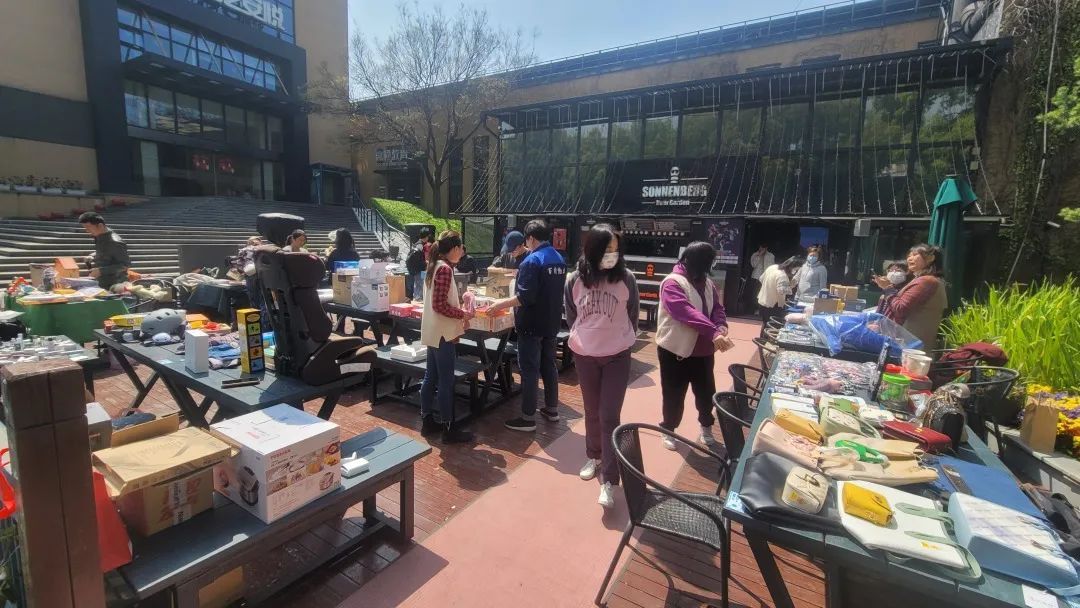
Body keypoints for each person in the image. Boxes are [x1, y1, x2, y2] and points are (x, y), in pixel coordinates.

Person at [564, 224, 639, 509]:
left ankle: (609, 479)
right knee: (591, 411)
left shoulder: (627, 279)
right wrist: (588, 337)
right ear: (592, 249)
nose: (612, 254)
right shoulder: (575, 279)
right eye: (607, 249)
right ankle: (593, 456)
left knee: (609, 415)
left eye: (616, 249)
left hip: (617, 355)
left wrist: (618, 337)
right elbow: (572, 316)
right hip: (585, 355)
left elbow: (632, 314)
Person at [489, 220, 566, 432]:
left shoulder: (532, 261)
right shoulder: (559, 258)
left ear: (530, 238)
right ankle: (552, 409)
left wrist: (498, 305)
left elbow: (524, 297)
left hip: (531, 323)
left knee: (529, 370)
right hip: (551, 322)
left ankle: (528, 417)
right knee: (549, 366)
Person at [656, 242, 733, 450]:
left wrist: (721, 324)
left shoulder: (707, 283)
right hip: (675, 351)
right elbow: (685, 312)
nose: (710, 267)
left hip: (703, 351)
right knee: (673, 394)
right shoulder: (672, 283)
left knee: (706, 394)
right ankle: (668, 430)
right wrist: (713, 332)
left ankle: (706, 427)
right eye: (708, 263)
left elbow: (717, 307)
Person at [418, 230, 476, 444]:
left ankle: (427, 420)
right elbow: (439, 305)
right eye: (460, 248)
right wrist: (463, 314)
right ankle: (448, 428)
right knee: (445, 381)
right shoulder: (444, 269)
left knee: (430, 377)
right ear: (454, 249)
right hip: (443, 333)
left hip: (433, 331)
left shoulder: (434, 265)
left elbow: (436, 302)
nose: (461, 252)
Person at [880, 244, 948, 351]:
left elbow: (900, 308)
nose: (909, 258)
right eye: (909, 255)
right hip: (910, 343)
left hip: (909, 345)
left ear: (931, 258)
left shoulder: (927, 281)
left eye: (915, 254)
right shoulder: (924, 280)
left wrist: (888, 288)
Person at [79, 212, 130, 290]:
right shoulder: (100, 236)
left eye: (88, 227)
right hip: (102, 282)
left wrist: (100, 271)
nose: (87, 230)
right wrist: (93, 256)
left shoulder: (115, 242)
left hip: (115, 284)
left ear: (100, 226)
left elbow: (124, 265)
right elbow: (106, 251)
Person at [757, 256, 803, 332]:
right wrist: (793, 283)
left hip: (762, 300)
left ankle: (762, 338)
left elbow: (761, 279)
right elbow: (783, 291)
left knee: (765, 323)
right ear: (792, 267)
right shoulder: (782, 275)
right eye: (796, 270)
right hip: (773, 304)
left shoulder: (772, 267)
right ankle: (766, 339)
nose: (795, 272)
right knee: (772, 326)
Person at [406, 228, 433, 301]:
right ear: (426, 236)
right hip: (420, 270)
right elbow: (419, 260)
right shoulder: (420, 246)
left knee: (420, 284)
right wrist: (425, 263)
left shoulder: (417, 244)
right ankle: (418, 299)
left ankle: (418, 298)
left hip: (419, 269)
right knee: (420, 284)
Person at [746, 243, 775, 310]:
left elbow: (772, 266)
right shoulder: (755, 255)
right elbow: (753, 265)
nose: (762, 249)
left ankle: (761, 309)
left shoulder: (771, 256)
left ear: (766, 248)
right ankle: (753, 308)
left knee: (764, 294)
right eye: (761, 247)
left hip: (766, 277)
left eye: (764, 248)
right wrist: (759, 256)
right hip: (756, 277)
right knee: (755, 293)